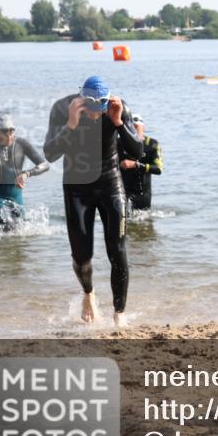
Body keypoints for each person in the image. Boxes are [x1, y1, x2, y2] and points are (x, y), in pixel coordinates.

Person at [44, 76, 143, 327]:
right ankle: (88, 293)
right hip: (77, 186)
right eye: (92, 111)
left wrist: (119, 122)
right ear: (82, 100)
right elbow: (50, 154)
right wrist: (71, 124)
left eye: (101, 111)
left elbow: (138, 151)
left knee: (117, 250)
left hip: (110, 182)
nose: (97, 117)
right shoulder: (61, 108)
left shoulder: (117, 108)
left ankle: (119, 314)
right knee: (81, 255)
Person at [119, 113, 163, 212]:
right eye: (131, 128)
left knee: (145, 223)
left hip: (144, 194)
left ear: (143, 127)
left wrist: (136, 165)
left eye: (136, 127)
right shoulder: (119, 143)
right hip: (125, 192)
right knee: (125, 215)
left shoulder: (152, 144)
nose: (134, 130)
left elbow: (158, 169)